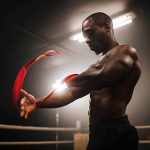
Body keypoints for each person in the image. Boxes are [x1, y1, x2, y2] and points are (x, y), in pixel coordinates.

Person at [20, 12, 141, 150]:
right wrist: (37, 103)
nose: (87, 40)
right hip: (98, 132)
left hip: (117, 131)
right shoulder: (97, 65)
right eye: (84, 36)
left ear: (107, 28)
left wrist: (70, 80)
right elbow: (71, 93)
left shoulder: (126, 51)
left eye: (90, 33)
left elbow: (101, 74)